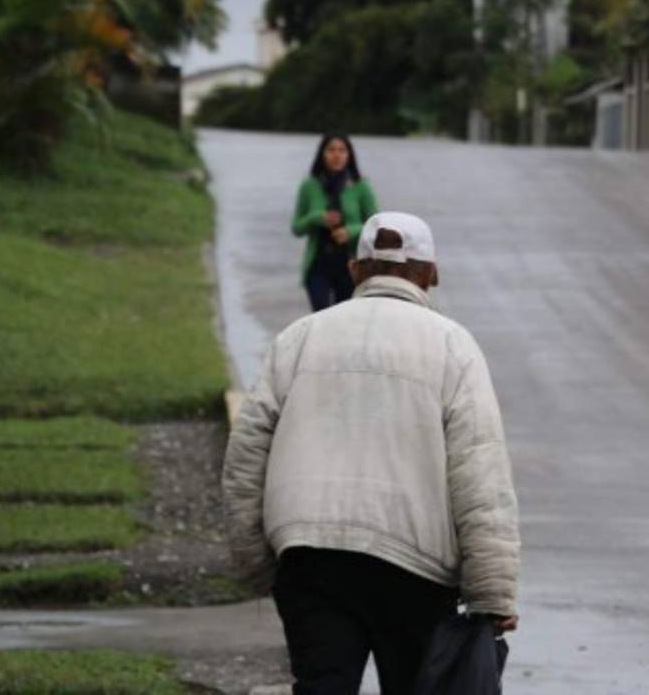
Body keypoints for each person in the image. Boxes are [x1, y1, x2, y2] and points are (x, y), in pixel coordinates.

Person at [222, 212, 521, 695]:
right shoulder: (453, 347)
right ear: (431, 274)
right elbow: (480, 473)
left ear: (355, 269)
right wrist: (492, 591)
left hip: (311, 558)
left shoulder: (300, 337)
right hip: (415, 570)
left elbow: (247, 452)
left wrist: (256, 563)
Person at [292, 134, 379, 311]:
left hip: (350, 265)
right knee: (320, 317)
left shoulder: (361, 186)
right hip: (318, 264)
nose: (336, 155)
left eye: (342, 150)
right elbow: (297, 228)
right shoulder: (309, 186)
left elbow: (377, 225)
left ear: (349, 155)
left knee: (344, 318)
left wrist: (351, 231)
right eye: (331, 150)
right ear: (322, 154)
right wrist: (317, 218)